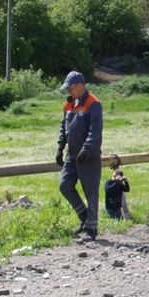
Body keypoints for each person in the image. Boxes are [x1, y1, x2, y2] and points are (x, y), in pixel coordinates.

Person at [56, 70, 103, 241]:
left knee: (91, 192)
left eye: (71, 88)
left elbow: (95, 131)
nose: (69, 91)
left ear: (80, 86)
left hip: (89, 156)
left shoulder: (93, 103)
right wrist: (60, 147)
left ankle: (91, 228)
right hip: (72, 154)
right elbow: (64, 127)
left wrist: (87, 149)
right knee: (64, 185)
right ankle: (84, 216)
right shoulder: (68, 104)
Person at [104, 155, 131, 221]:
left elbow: (127, 189)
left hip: (118, 208)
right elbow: (108, 190)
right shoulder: (108, 182)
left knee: (119, 221)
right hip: (110, 208)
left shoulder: (119, 184)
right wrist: (116, 181)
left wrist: (126, 182)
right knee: (114, 221)